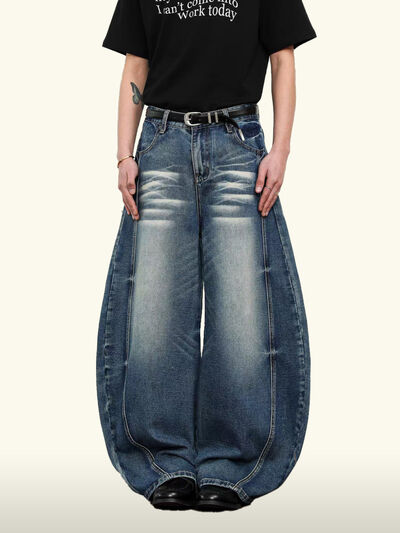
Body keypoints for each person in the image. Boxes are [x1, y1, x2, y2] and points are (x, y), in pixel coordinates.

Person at [96, 0, 316, 512]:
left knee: (241, 312)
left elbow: (283, 57)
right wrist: (125, 153)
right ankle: (163, 461)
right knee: (155, 311)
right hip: (162, 142)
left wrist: (281, 150)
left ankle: (232, 461)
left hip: (238, 142)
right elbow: (135, 63)